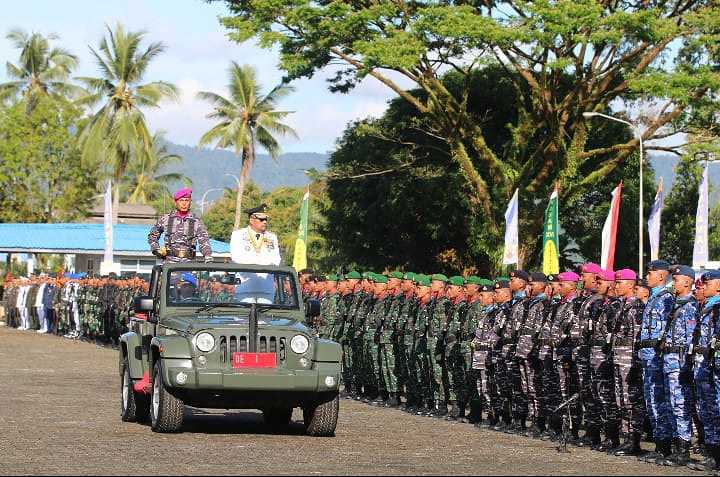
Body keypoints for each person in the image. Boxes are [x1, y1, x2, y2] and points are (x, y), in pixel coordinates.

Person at [148, 188, 213, 262]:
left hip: (189, 264)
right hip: (169, 263)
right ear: (176, 202)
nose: (184, 203)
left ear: (190, 202)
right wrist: (156, 249)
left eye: (186, 200)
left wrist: (208, 255)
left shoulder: (196, 221)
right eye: (181, 200)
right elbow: (152, 236)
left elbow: (204, 241)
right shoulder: (166, 219)